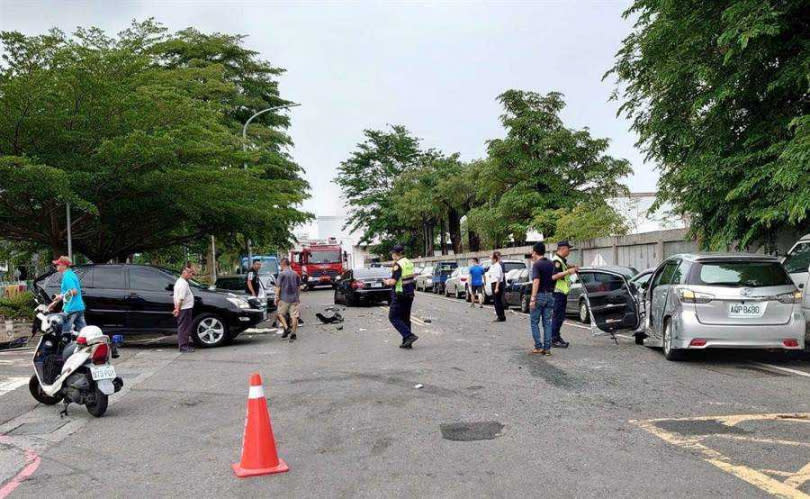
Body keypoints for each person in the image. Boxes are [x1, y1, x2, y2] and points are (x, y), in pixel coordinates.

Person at [384, 244, 418, 349]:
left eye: (392, 254)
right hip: (410, 294)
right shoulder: (409, 262)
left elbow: (393, 282)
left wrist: (386, 281)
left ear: (395, 254)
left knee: (393, 317)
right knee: (405, 318)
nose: (392, 256)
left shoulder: (397, 265)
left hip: (400, 294)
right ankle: (407, 342)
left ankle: (409, 336)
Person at [528, 242, 556, 355]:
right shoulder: (551, 263)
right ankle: (547, 348)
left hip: (539, 295)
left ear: (535, 252)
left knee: (534, 322)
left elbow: (536, 281)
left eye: (532, 252)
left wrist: (533, 298)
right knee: (547, 323)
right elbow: (554, 278)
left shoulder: (537, 265)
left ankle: (538, 346)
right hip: (550, 295)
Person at [551, 241, 579, 348]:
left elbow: (564, 267)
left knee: (560, 316)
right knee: (557, 316)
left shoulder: (561, 260)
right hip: (558, 292)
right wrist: (569, 272)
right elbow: (554, 276)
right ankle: (554, 339)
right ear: (562, 248)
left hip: (562, 293)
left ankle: (557, 336)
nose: (569, 251)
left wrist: (572, 267)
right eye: (568, 248)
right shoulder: (556, 261)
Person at [50, 256, 87, 333]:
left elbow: (74, 291)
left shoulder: (67, 276)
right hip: (78, 308)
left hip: (71, 309)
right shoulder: (71, 274)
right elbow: (66, 292)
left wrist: (61, 296)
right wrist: (54, 303)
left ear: (64, 265)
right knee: (84, 332)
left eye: (58, 264)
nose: (56, 266)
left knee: (64, 332)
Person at [276, 258, 302, 342]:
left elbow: (278, 287)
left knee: (280, 314)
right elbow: (298, 287)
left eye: (280, 264)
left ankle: (286, 328)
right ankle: (293, 333)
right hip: (294, 299)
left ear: (283, 264)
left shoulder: (281, 274)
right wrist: (298, 297)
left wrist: (276, 297)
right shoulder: (296, 274)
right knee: (294, 316)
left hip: (284, 298)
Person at [173, 263, 196, 353]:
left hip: (183, 308)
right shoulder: (183, 284)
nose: (191, 274)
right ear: (184, 272)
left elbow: (175, 297)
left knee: (184, 327)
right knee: (184, 328)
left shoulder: (180, 281)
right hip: (184, 309)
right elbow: (181, 298)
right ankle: (183, 346)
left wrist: (176, 308)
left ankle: (184, 345)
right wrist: (177, 309)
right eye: (189, 272)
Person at [489, 251, 506, 322]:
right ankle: (501, 316)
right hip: (493, 283)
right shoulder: (493, 266)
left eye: (492, 259)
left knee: (497, 301)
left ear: (495, 259)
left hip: (497, 284)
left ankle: (500, 316)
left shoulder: (497, 266)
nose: (491, 260)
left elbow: (499, 277)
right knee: (496, 301)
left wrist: (496, 287)